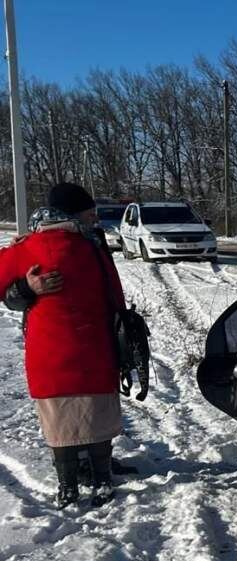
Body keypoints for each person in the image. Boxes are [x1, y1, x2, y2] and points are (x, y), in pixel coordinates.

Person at [0, 183, 127, 508]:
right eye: (90, 212)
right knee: (96, 409)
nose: (95, 217)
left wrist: (24, 286)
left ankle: (67, 485)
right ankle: (101, 479)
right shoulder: (89, 246)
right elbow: (114, 293)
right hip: (94, 344)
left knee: (58, 415)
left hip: (48, 351)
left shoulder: (26, 248)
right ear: (72, 214)